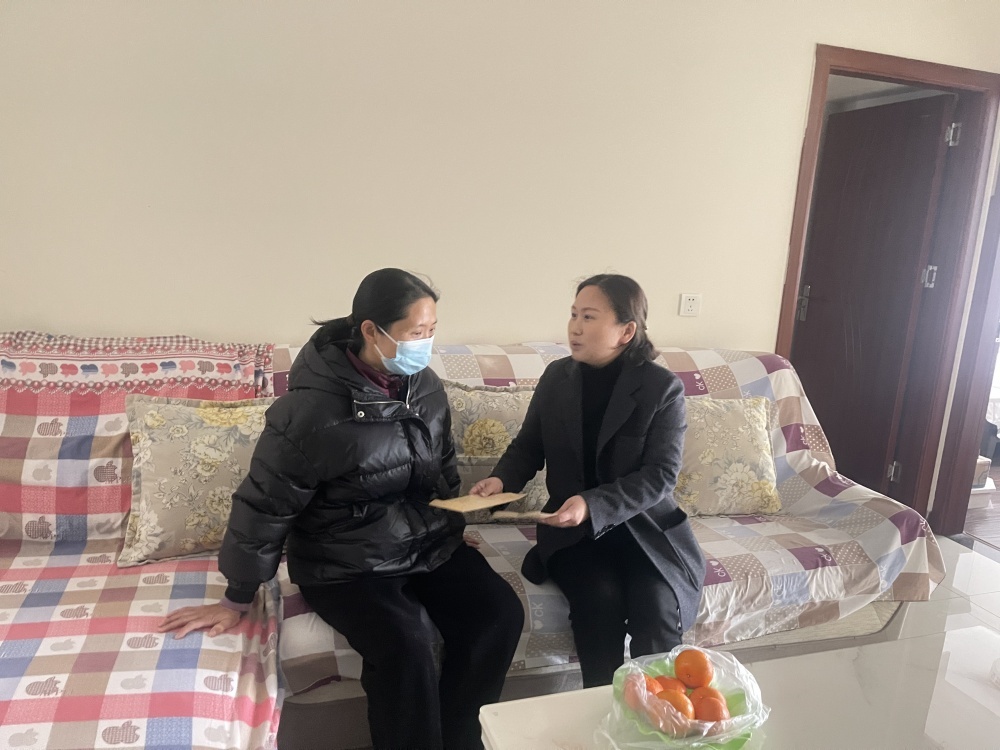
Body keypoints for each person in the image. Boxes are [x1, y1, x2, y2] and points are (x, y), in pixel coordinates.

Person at [159, 268, 524, 750]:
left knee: (498, 614)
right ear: (372, 330)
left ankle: (462, 741)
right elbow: (264, 503)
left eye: (432, 330)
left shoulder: (425, 386)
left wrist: (453, 521)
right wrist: (237, 597)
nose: (426, 343)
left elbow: (442, 465)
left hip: (425, 542)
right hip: (345, 561)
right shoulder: (310, 411)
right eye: (417, 332)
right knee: (405, 647)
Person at [472, 274, 705, 688]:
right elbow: (528, 447)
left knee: (655, 607)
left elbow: (660, 475)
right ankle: (602, 702)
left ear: (626, 331)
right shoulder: (557, 378)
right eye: (574, 315)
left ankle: (658, 709)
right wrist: (499, 481)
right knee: (599, 600)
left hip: (644, 532)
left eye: (589, 317)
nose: (575, 327)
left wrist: (593, 503)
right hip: (574, 535)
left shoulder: (661, 389)